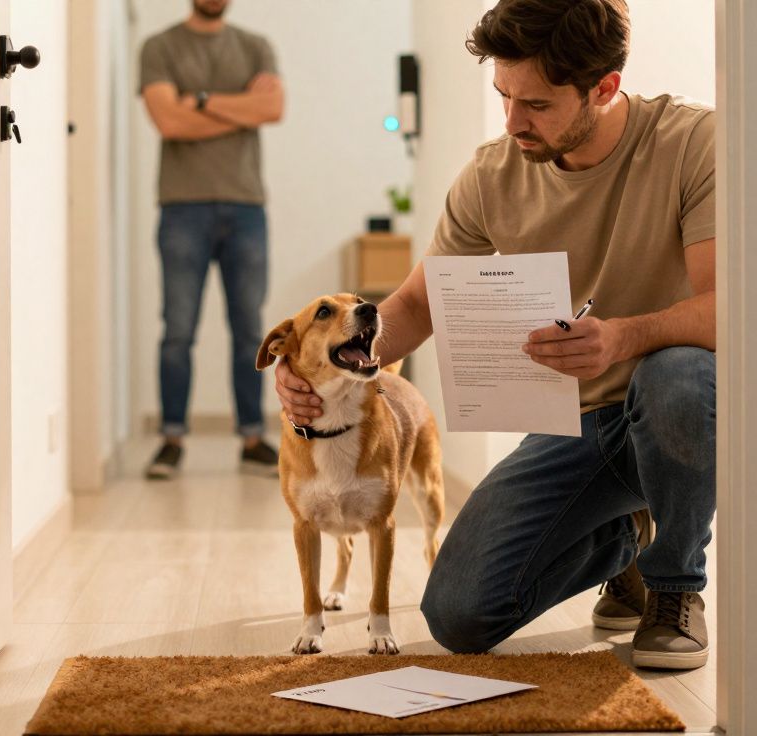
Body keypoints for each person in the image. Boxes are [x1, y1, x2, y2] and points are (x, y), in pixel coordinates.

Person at [274, 0, 716, 670]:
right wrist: (322, 365)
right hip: (576, 424)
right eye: (503, 96)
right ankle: (624, 535)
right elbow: (420, 306)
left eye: (535, 104)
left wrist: (625, 337)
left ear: (604, 87)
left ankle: (673, 589)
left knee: (677, 374)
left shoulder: (691, 142)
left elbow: (731, 308)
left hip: (673, 409)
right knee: (457, 615)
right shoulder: (491, 176)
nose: (513, 122)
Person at [138, 0, 285, 480]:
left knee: (249, 333)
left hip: (246, 207)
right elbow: (169, 122)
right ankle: (172, 439)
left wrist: (198, 100)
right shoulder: (159, 47)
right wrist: (239, 109)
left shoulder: (255, 46)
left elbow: (272, 107)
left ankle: (251, 438)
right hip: (182, 207)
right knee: (177, 332)